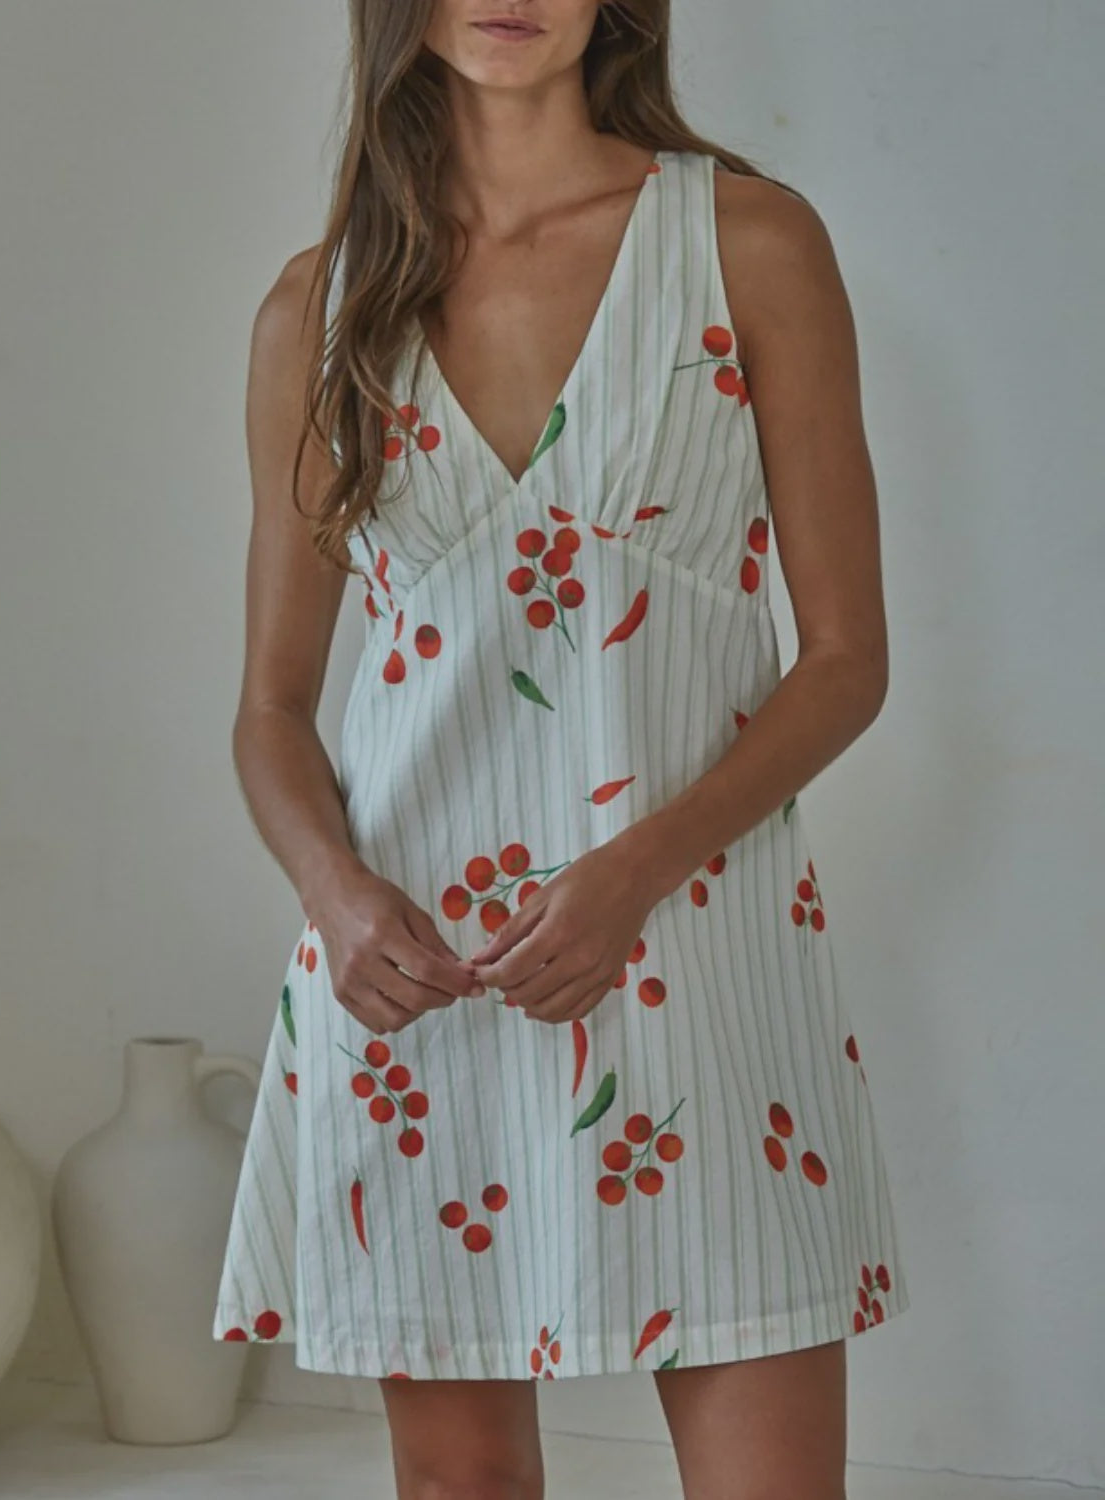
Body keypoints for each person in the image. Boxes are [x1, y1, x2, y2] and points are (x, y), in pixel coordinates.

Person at [212, 2, 911, 1495]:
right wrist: (337, 900)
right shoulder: (321, 311)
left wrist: (633, 873)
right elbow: (271, 712)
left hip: (695, 946)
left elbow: (848, 660)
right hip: (424, 991)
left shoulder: (748, 243)